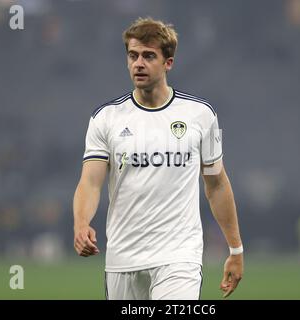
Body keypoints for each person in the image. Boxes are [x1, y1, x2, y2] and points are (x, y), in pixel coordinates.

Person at [73, 17, 243, 300]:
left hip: (179, 257)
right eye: (133, 55)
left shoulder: (202, 115)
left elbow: (217, 185)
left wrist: (235, 249)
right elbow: (90, 183)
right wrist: (81, 224)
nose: (138, 63)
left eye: (149, 56)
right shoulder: (105, 118)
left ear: (168, 63)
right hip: (123, 258)